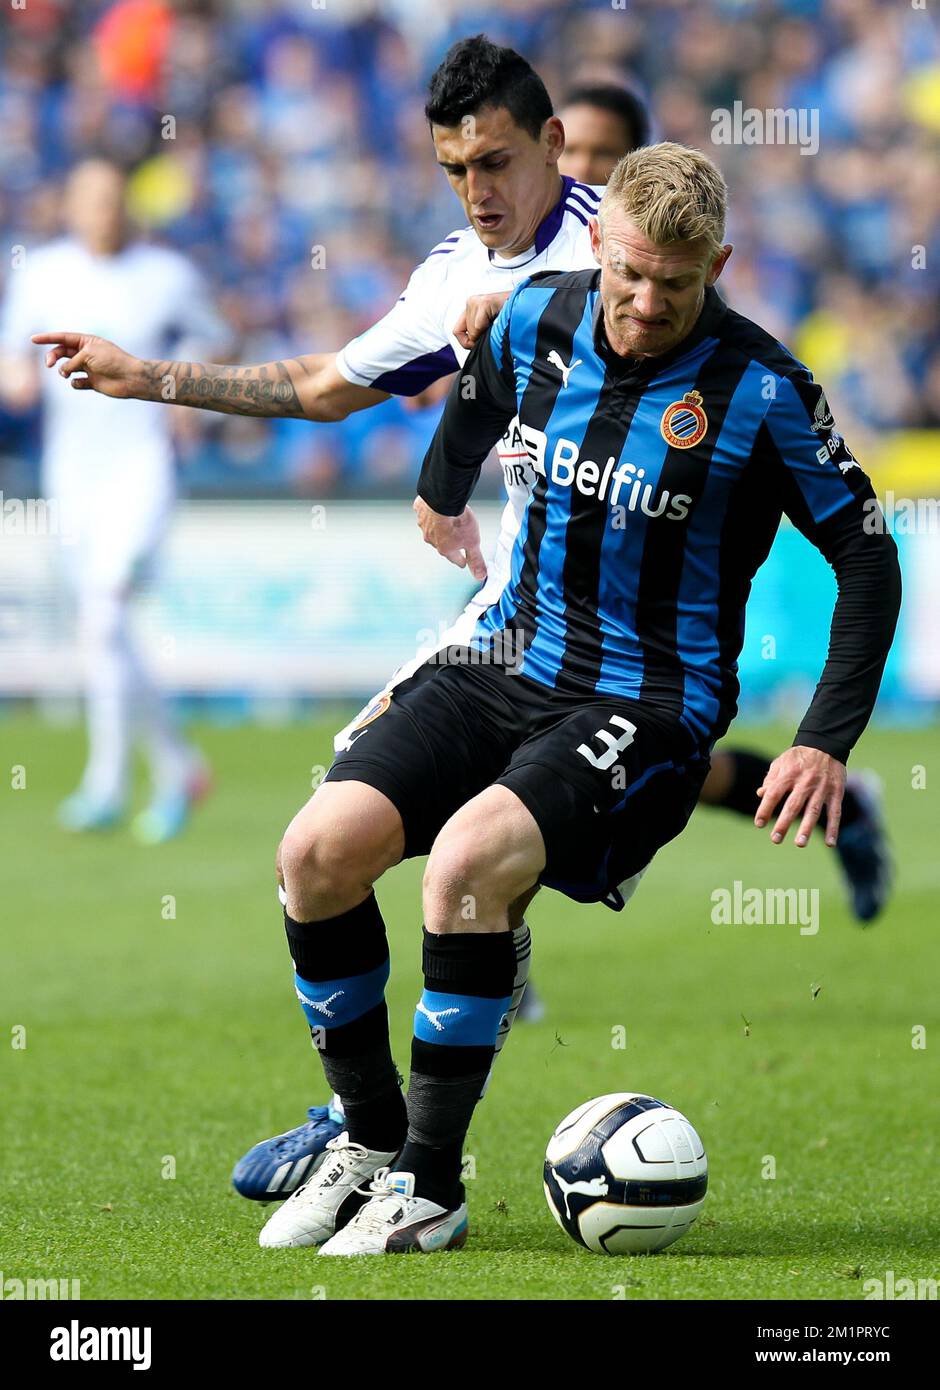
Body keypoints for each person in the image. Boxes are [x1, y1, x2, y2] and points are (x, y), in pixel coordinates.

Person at [248, 141, 900, 1255]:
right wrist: (440, 494)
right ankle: (364, 1140)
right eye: (629, 274)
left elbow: (868, 559)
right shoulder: (531, 317)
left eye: (678, 285)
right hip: (505, 658)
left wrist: (825, 740)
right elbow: (473, 401)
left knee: (464, 865)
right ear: (595, 242)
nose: (647, 304)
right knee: (314, 852)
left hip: (649, 699)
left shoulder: (765, 392)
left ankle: (430, 1187)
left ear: (719, 265)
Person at [0, 158, 227, 842]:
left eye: (112, 198)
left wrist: (190, 394)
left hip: (143, 468)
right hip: (73, 472)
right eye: (89, 198)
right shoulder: (43, 272)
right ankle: (179, 764)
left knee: (106, 611)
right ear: (69, 205)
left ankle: (108, 781)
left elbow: (212, 338)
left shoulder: (167, 275)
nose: (103, 210)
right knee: (102, 628)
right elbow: (14, 350)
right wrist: (18, 378)